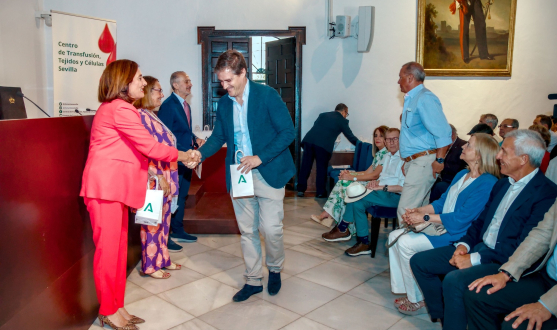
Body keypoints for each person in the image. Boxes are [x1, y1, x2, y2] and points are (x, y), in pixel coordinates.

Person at [80, 60, 199, 329]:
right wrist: (185, 155)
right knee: (108, 254)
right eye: (139, 78)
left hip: (117, 191)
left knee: (118, 253)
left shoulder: (122, 109)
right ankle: (108, 310)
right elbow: (150, 147)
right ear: (123, 83)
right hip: (105, 190)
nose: (144, 83)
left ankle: (117, 307)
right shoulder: (119, 109)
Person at [410, 129, 557, 328]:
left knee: (455, 281)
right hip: (479, 247)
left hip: (504, 259)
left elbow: (526, 244)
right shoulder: (503, 184)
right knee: (420, 261)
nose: (498, 156)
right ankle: (446, 316)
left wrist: (474, 259)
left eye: (504, 152)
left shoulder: (546, 193)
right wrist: (463, 246)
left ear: (523, 159)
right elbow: (480, 222)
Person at [189, 50, 295, 302]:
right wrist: (200, 154)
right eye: (221, 82)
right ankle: (253, 279)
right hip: (239, 174)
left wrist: (260, 157)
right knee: (247, 231)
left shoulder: (267, 96)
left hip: (267, 170)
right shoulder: (225, 103)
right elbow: (218, 137)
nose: (225, 87)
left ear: (243, 73)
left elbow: (288, 132)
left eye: (229, 81)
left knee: (271, 230)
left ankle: (276, 268)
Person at [390, 133, 499, 315]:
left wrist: (424, 219)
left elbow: (462, 219)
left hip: (458, 234)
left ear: (479, 155)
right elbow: (442, 202)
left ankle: (418, 299)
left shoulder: (487, 182)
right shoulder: (463, 173)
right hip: (443, 226)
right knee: (395, 235)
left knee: (404, 242)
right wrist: (420, 211)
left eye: (469, 145)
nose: (463, 147)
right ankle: (411, 292)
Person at [465, 202, 557, 330]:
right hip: (548, 277)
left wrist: (546, 305)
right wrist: (506, 273)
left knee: (514, 325)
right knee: (477, 295)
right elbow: (542, 235)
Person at [321, 128, 405, 256]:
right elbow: (379, 176)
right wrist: (376, 183)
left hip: (394, 196)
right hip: (382, 191)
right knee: (357, 202)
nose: (392, 142)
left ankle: (343, 228)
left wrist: (382, 187)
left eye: (395, 139)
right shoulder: (387, 156)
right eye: (389, 139)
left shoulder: (405, 159)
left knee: (356, 197)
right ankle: (364, 242)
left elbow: (402, 187)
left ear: (401, 140)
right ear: (386, 142)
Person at [135, 76, 182, 279]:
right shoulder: (139, 116)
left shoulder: (151, 115)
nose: (162, 94)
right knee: (152, 224)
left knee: (164, 223)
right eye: (158, 90)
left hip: (165, 180)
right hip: (153, 181)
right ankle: (151, 265)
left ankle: (163, 259)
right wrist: (155, 176)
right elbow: (142, 151)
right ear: (146, 92)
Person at [397, 62, 452, 226]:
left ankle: (403, 250)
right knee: (417, 212)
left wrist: (440, 160)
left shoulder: (425, 98)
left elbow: (443, 132)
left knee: (406, 211)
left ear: (410, 77)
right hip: (415, 161)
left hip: (423, 161)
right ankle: (422, 247)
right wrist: (407, 160)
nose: (398, 81)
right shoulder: (412, 99)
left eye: (400, 77)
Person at [157, 71, 204, 250]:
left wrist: (195, 138)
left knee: (182, 195)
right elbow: (165, 135)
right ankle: (166, 235)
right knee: (172, 197)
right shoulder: (169, 106)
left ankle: (177, 229)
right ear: (175, 85)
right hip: (175, 159)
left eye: (190, 80)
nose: (190, 84)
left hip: (186, 159)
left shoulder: (185, 105)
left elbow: (182, 131)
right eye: (186, 81)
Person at [310, 125, 389, 228]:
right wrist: (349, 174)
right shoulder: (379, 154)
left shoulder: (387, 154)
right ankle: (331, 216)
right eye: (375, 135)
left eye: (381, 136)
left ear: (387, 138)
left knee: (346, 183)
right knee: (343, 181)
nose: (377, 138)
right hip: (370, 182)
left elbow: (374, 176)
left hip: (375, 185)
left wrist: (352, 178)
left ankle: (338, 220)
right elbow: (366, 172)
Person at [297, 103, 360, 198]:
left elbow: (317, 127)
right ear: (344, 112)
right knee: (321, 168)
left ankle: (300, 190)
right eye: (346, 114)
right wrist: (361, 145)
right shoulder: (342, 120)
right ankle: (320, 192)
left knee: (306, 165)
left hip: (309, 141)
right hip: (323, 145)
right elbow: (350, 136)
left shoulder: (323, 115)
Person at [429, 124, 467, 202]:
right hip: (439, 178)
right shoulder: (441, 146)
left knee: (439, 186)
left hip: (452, 181)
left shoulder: (463, 146)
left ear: (451, 135)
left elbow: (460, 170)